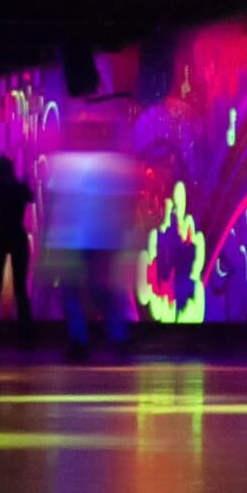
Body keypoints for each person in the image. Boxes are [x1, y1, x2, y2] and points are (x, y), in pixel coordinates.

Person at [45, 120, 140, 361]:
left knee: (73, 292)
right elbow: (125, 206)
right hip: (104, 239)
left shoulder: (65, 164)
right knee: (103, 291)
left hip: (73, 240)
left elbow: (56, 205)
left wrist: (51, 241)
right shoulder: (115, 164)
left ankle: (82, 342)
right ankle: (117, 339)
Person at [0, 156, 37, 348]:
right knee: (20, 288)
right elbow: (31, 197)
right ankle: (26, 337)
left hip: (0, 237)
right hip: (17, 236)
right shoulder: (20, 188)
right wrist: (26, 181)